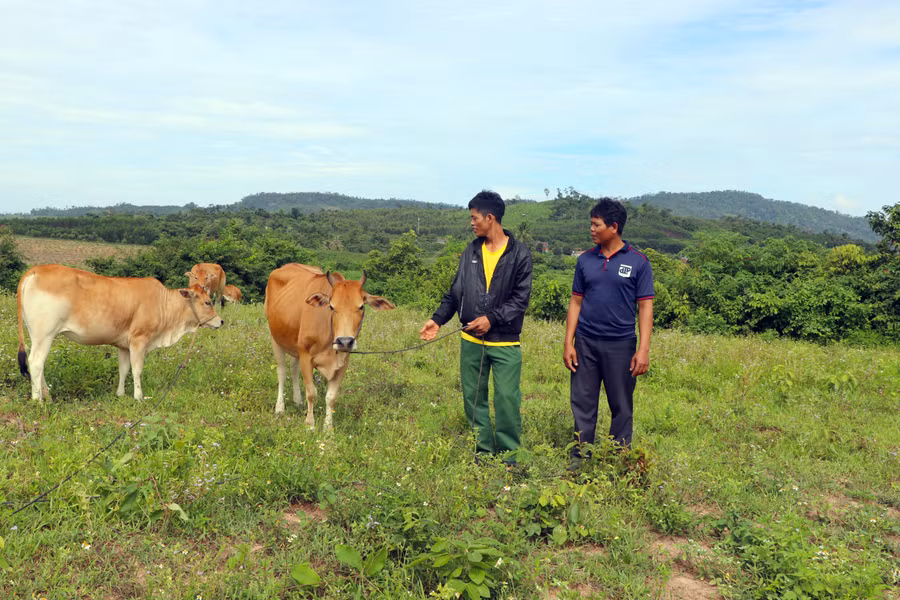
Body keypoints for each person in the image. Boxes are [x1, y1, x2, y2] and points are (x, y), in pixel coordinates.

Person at [420, 190, 533, 465]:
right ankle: (482, 454)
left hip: (505, 341)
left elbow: (520, 299)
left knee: (507, 399)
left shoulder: (519, 253)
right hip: (471, 340)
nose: (472, 223)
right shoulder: (471, 251)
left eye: (474, 218)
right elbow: (455, 292)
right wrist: (437, 319)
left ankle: (509, 458)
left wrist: (492, 319)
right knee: (473, 399)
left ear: (489, 217)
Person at [563, 198, 654, 464]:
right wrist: (569, 342)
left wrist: (643, 349)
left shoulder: (638, 262)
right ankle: (581, 458)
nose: (591, 229)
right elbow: (576, 302)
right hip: (586, 343)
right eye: (591, 224)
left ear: (614, 227)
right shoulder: (585, 260)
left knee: (621, 405)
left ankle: (618, 460)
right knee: (583, 403)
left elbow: (645, 307)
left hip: (621, 345)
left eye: (596, 224)